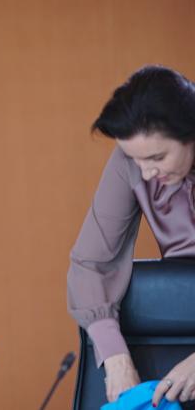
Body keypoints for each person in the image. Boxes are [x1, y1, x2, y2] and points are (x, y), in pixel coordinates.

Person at [67, 65, 195, 407]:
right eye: (137, 160)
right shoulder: (135, 158)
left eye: (157, 157)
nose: (147, 172)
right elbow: (90, 263)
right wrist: (115, 356)